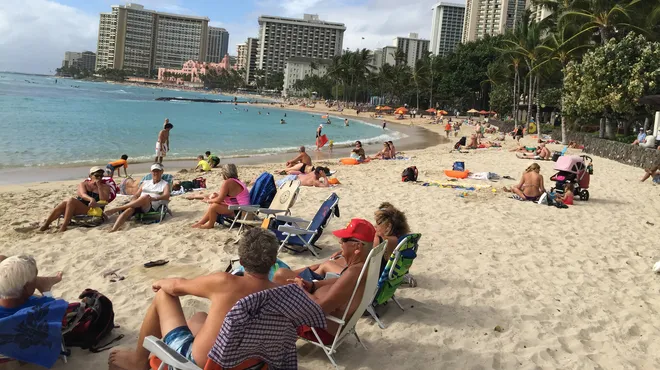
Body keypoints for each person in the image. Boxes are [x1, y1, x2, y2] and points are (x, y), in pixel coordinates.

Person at [108, 228, 280, 370]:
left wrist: (160, 282)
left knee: (164, 295)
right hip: (253, 365)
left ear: (241, 260)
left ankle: (139, 361)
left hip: (197, 364)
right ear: (273, 261)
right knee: (200, 317)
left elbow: (177, 287)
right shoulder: (283, 294)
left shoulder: (225, 282)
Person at [273, 219, 376, 344]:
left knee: (277, 298)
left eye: (344, 240)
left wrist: (299, 290)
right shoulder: (365, 266)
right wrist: (313, 285)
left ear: (357, 246)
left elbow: (319, 310)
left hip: (321, 330)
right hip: (329, 320)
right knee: (282, 274)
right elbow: (340, 281)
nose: (340, 242)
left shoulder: (354, 272)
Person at [39, 166, 111, 232]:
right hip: (78, 207)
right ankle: (46, 225)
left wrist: (99, 187)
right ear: (90, 176)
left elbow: (104, 199)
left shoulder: (105, 187)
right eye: (97, 175)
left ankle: (64, 226)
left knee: (71, 200)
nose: (99, 178)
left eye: (101, 176)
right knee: (65, 203)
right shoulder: (83, 184)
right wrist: (91, 199)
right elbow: (83, 195)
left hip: (92, 210)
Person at [105, 163, 171, 232]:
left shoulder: (165, 184)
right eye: (154, 171)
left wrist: (154, 198)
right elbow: (136, 195)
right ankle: (114, 229)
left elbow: (167, 195)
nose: (156, 173)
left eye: (158, 171)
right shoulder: (145, 182)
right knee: (129, 210)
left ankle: (118, 208)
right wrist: (133, 201)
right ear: (151, 172)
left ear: (162, 172)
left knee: (145, 197)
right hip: (139, 203)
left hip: (151, 207)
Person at [191, 164, 250, 229]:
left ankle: (209, 225)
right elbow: (230, 197)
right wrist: (216, 196)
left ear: (224, 173)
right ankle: (201, 223)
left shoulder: (228, 182)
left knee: (214, 206)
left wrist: (207, 200)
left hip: (240, 212)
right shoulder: (236, 181)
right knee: (214, 204)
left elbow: (219, 199)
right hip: (241, 209)